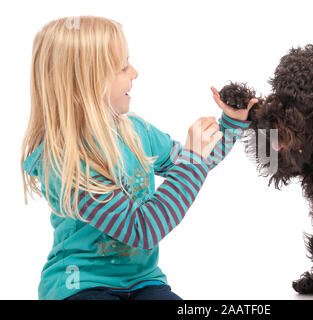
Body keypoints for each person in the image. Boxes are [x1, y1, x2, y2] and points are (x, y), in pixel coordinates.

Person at [20, 16, 258, 300]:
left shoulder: (136, 130)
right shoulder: (63, 162)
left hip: (143, 282)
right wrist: (192, 160)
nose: (135, 72)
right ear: (87, 82)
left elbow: (196, 165)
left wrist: (230, 125)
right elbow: (141, 229)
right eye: (123, 66)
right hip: (80, 285)